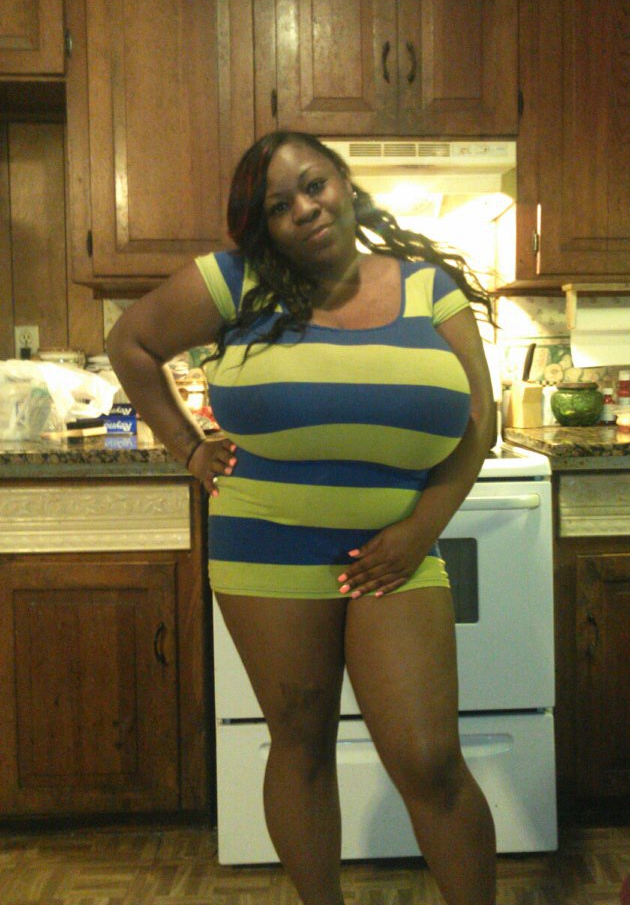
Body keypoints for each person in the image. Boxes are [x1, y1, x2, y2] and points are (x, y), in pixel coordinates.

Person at [107, 131, 498, 905]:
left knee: (428, 760)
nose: (304, 210)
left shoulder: (430, 288)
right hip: (265, 545)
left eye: (314, 185)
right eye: (278, 206)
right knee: (301, 744)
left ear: (345, 183)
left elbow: (480, 425)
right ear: (264, 226)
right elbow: (132, 343)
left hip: (400, 546)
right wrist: (188, 448)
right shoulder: (235, 283)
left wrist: (423, 528)